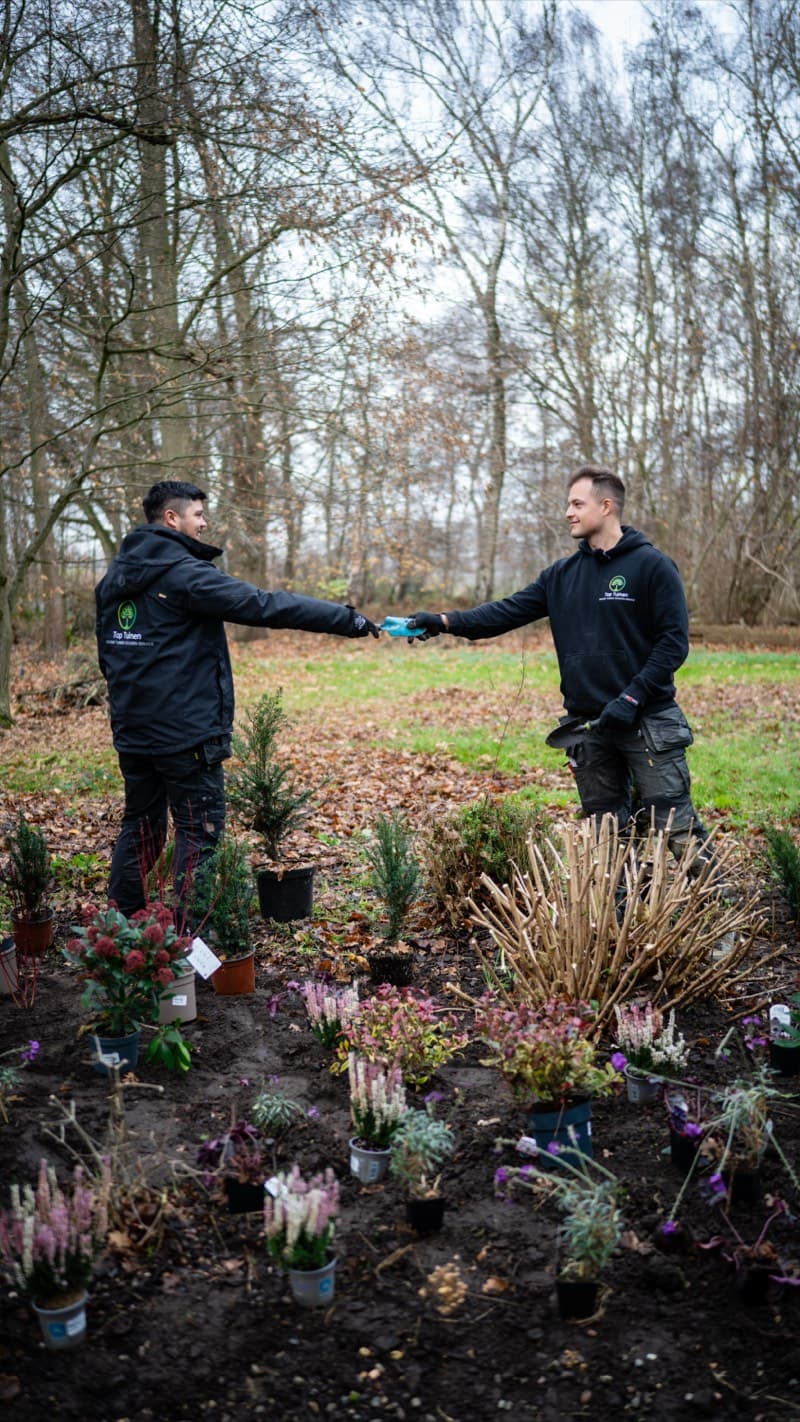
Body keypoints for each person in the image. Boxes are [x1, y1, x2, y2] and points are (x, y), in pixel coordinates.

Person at [96, 479, 379, 917]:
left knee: (141, 827)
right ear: (171, 518)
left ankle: (118, 931)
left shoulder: (116, 577)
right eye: (197, 515)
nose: (204, 523)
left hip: (133, 732)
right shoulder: (185, 575)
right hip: (186, 738)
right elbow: (265, 605)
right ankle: (193, 950)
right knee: (198, 834)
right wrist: (348, 620)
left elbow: (107, 654)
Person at [407, 464, 710, 865]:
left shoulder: (652, 566)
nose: (568, 512)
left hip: (647, 720)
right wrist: (444, 622)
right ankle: (617, 921)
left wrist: (632, 698)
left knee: (676, 827)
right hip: (587, 726)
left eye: (576, 503)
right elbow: (502, 613)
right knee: (608, 836)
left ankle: (722, 922)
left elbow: (673, 644)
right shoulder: (561, 576)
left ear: (605, 507)